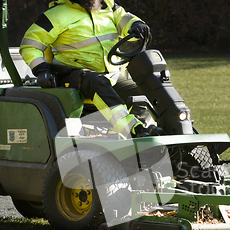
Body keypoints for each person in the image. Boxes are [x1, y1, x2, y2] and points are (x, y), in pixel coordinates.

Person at [20, 0, 160, 138]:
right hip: (71, 76)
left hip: (110, 76)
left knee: (144, 89)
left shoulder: (108, 6)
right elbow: (30, 45)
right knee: (96, 81)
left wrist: (137, 24)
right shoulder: (55, 14)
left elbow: (125, 19)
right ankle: (133, 131)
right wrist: (41, 70)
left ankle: (147, 131)